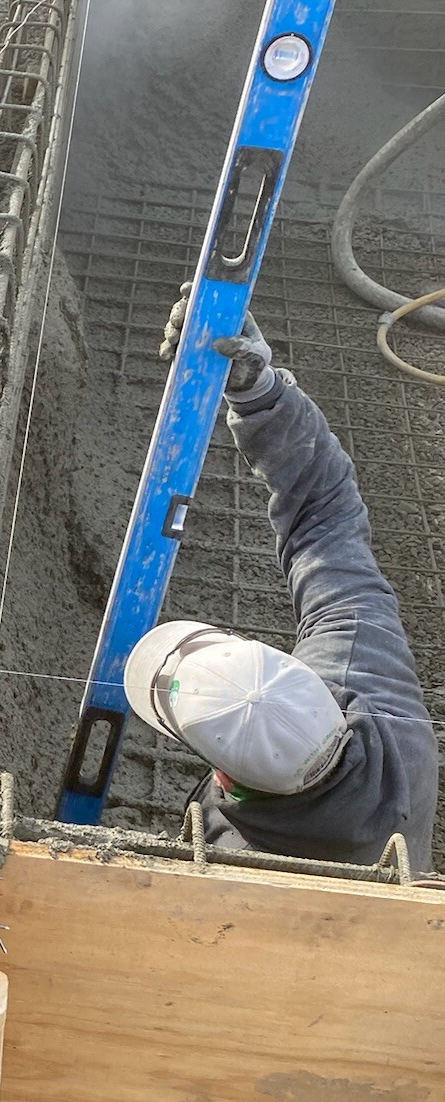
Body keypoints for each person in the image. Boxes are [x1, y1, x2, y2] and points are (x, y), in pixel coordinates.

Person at [122, 297, 437, 868]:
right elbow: (324, 518)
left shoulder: (230, 863)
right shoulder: (378, 692)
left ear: (222, 777)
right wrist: (260, 395)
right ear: (316, 687)